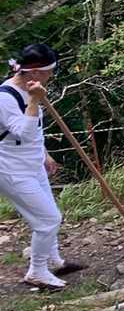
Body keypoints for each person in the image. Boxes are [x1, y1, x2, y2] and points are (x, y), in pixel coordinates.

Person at [0, 44, 73, 289]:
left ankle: (53, 261)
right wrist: (34, 100)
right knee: (48, 219)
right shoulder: (5, 98)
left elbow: (34, 132)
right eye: (49, 71)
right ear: (34, 72)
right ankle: (37, 272)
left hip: (32, 163)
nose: (51, 75)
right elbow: (23, 131)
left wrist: (45, 154)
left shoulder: (30, 89)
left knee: (48, 213)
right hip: (11, 169)